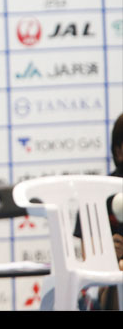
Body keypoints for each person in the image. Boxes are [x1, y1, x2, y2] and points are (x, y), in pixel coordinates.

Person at [74, 112, 123, 310]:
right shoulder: (96, 196)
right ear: (119, 150)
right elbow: (90, 261)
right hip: (107, 282)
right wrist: (108, 253)